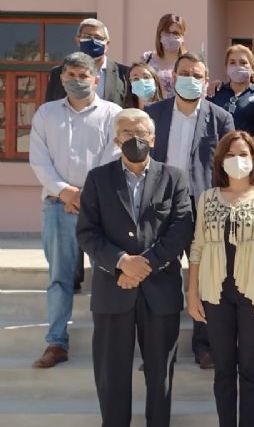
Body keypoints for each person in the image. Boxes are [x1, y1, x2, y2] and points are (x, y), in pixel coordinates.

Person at [75, 108, 192, 427]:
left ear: (153, 139)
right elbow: (87, 232)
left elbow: (181, 228)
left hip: (161, 293)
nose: (135, 139)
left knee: (160, 378)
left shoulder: (174, 177)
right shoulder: (98, 179)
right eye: (127, 133)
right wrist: (122, 263)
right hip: (113, 291)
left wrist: (146, 264)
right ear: (115, 139)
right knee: (111, 377)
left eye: (141, 133)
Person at [187, 130, 254, 427]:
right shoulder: (207, 198)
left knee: (250, 369)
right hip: (215, 294)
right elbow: (197, 248)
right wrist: (192, 294)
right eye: (231, 155)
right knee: (223, 370)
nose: (237, 160)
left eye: (243, 154)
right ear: (220, 160)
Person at [29, 52, 121, 369]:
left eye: (83, 75)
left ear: (96, 79)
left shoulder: (113, 114)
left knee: (107, 275)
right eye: (70, 74)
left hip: (100, 209)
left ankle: (109, 341)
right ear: (61, 78)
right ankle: (56, 343)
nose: (76, 80)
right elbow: (39, 159)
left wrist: (86, 197)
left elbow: (114, 157)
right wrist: (66, 192)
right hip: (57, 206)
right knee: (60, 278)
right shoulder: (45, 114)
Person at [146, 52, 235, 369]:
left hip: (204, 208)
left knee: (208, 280)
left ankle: (204, 345)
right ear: (173, 77)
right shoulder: (153, 114)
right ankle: (160, 347)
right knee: (160, 279)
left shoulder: (220, 118)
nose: (191, 79)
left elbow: (228, 167)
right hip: (160, 208)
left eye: (197, 75)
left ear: (206, 80)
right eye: (185, 73)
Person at [208, 45, 254, 178]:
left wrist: (240, 152)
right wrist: (225, 154)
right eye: (232, 62)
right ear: (226, 68)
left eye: (243, 62)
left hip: (250, 162)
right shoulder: (215, 93)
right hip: (219, 163)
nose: (237, 66)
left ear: (253, 69)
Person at [45, 18, 129, 107]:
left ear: (107, 44)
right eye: (87, 36)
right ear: (78, 40)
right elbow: (50, 106)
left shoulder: (124, 73)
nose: (92, 41)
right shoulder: (58, 73)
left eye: (98, 37)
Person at [141, 13, 187, 99]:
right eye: (167, 32)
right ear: (159, 34)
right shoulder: (147, 59)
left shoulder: (189, 62)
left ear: (182, 36)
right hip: (152, 110)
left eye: (175, 33)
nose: (171, 37)